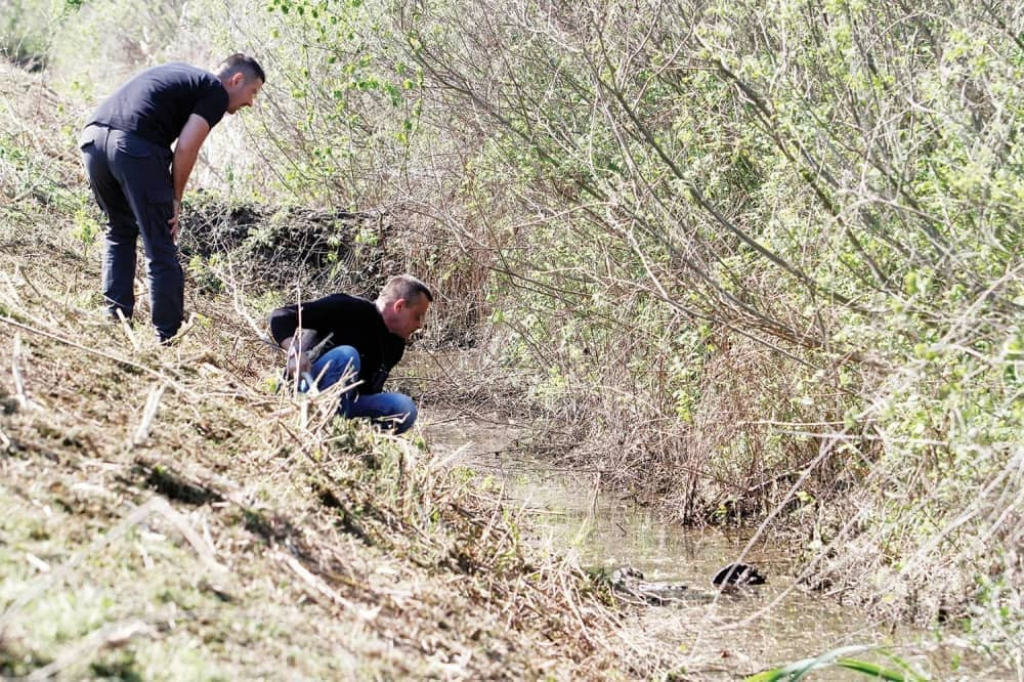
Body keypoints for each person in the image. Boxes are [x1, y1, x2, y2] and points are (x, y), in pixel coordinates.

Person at [79, 54, 265, 343]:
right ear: (236, 80)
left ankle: (114, 322)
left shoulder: (183, 74)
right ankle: (169, 338)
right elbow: (186, 148)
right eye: (252, 92)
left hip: (93, 140)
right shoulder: (215, 92)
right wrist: (175, 198)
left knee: (120, 229)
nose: (250, 102)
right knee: (161, 244)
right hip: (133, 147)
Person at [269, 275, 433, 434]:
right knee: (347, 355)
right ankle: (322, 429)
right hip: (303, 395)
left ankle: (350, 439)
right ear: (399, 306)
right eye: (418, 316)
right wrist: (295, 352)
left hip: (346, 405)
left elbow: (369, 391)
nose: (420, 325)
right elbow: (281, 315)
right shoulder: (346, 307)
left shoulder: (395, 345)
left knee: (405, 409)